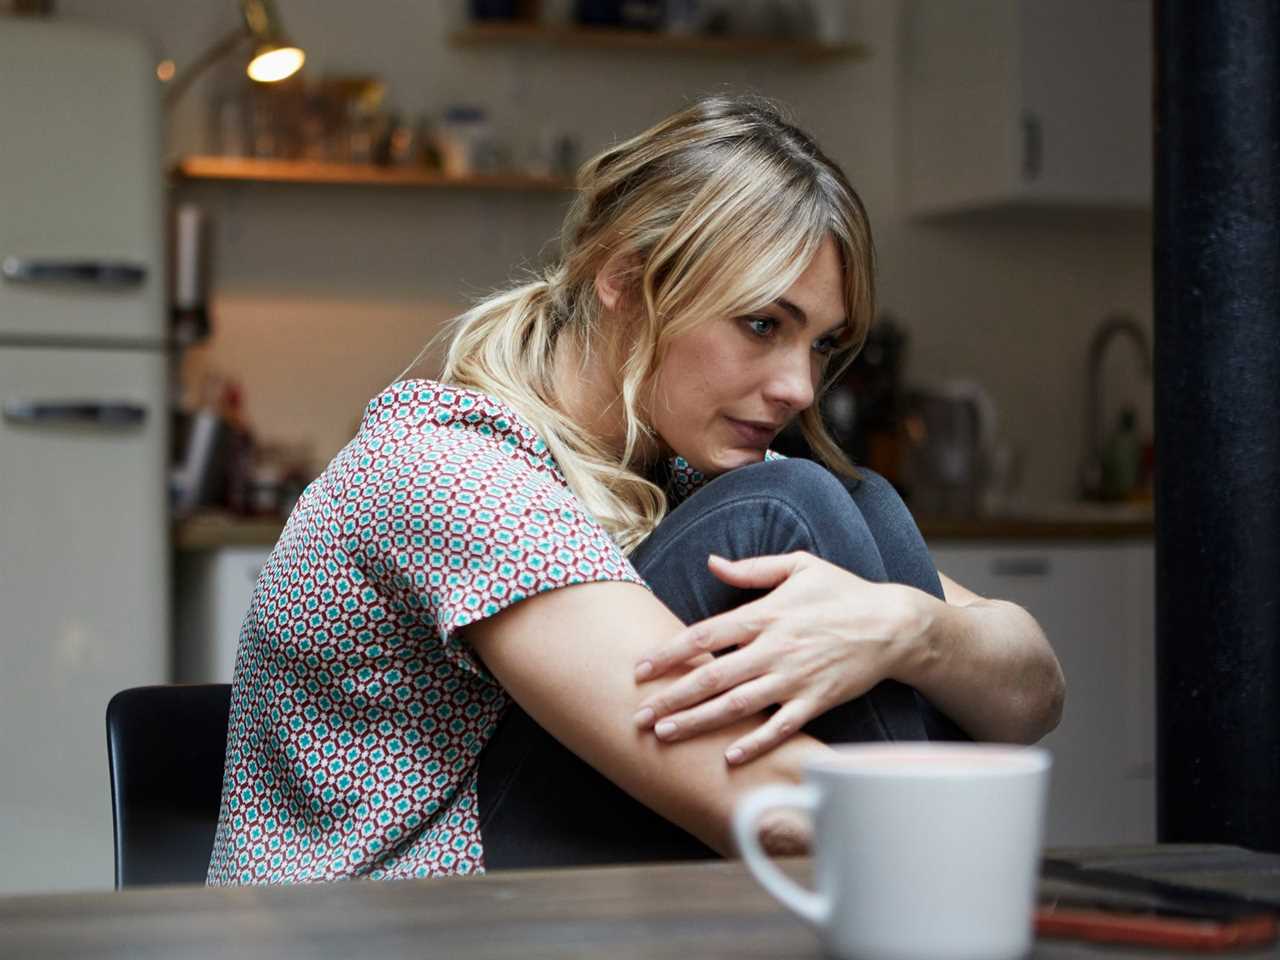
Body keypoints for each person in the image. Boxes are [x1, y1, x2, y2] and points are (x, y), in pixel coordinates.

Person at [207, 94, 1064, 885]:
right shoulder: (450, 470)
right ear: (624, 278)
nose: (801, 387)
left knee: (858, 500)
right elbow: (770, 810)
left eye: (820, 344)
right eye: (762, 325)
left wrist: (911, 630)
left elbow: (1034, 693)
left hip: (551, 904)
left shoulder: (689, 462)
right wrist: (964, 833)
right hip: (391, 923)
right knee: (793, 505)